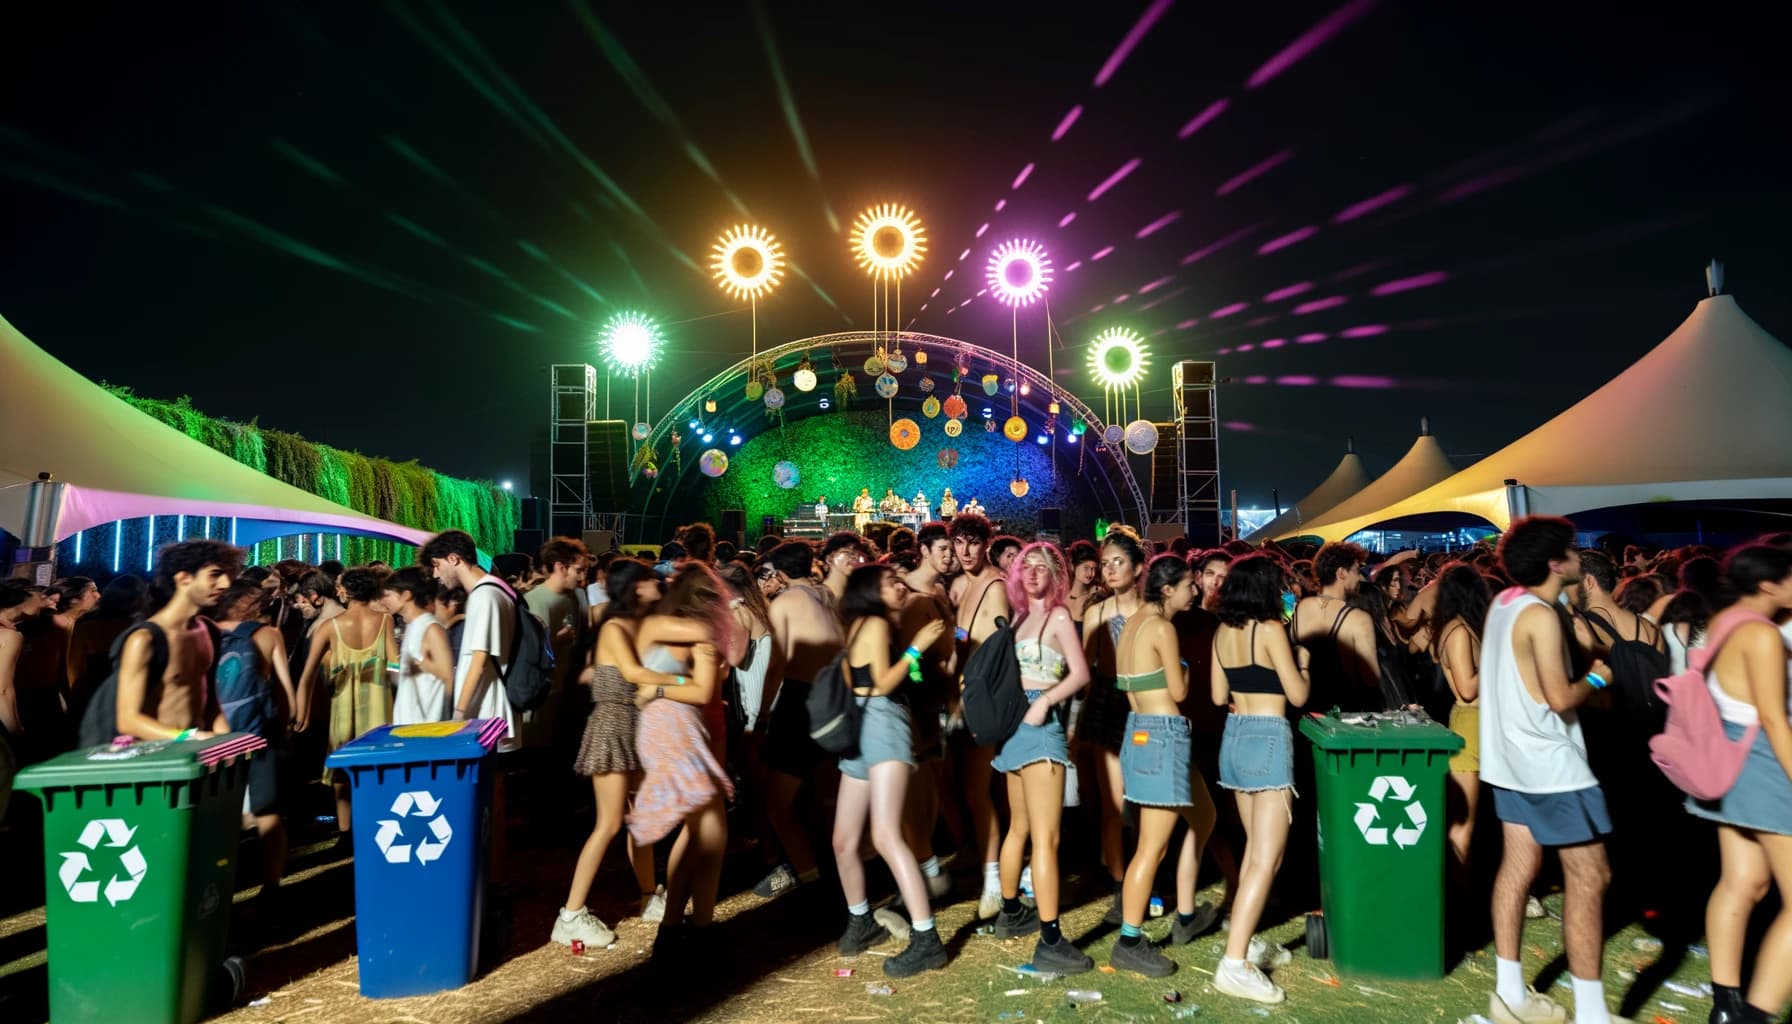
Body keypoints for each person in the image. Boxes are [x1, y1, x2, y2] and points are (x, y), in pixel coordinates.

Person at [1480, 516, 1619, 1024]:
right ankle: (1591, 1014)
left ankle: (1510, 994)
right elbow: (1559, 698)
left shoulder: (1504, 603)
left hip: (1510, 761)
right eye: (1573, 550)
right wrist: (1600, 679)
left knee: (1517, 870)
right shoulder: (1538, 612)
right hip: (1552, 767)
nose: (1580, 558)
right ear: (1554, 563)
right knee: (1590, 877)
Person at [555, 559, 701, 947]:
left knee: (641, 817)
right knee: (609, 824)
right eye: (651, 580)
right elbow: (636, 674)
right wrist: (689, 680)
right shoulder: (616, 627)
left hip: (634, 724)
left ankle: (649, 896)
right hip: (613, 725)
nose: (658, 584)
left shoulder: (641, 624)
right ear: (635, 587)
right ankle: (570, 914)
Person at [1686, 543, 1792, 1024]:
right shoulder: (1763, 634)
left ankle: (1725, 1006)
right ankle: (1756, 1015)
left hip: (1727, 757)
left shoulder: (1726, 619)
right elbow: (1773, 717)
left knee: (1742, 881)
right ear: (1770, 584)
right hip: (1764, 762)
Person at [831, 564, 952, 976]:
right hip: (877, 722)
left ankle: (921, 936)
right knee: (858, 839)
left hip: (869, 724)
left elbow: (859, 682)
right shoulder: (876, 625)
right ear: (871, 591)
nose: (901, 586)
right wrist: (916, 648)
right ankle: (869, 924)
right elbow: (880, 684)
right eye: (891, 582)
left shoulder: (859, 625)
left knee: (858, 839)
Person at [1107, 556, 1220, 978]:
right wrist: (1187, 667)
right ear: (1168, 588)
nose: (1197, 590)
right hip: (1163, 735)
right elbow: (1178, 689)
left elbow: (1126, 683)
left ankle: (1187, 914)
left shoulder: (1131, 623)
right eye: (1191, 584)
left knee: (1204, 816)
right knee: (1151, 849)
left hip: (1139, 732)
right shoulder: (1162, 628)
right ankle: (1130, 941)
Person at [1210, 553, 1311, 1002]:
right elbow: (1298, 693)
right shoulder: (1270, 630)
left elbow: (1217, 695)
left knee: (1254, 851)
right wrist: (1303, 660)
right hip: (1269, 737)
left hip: (1234, 738)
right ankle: (1234, 965)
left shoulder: (1222, 631)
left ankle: (1245, 938)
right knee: (1266, 859)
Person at [992, 543, 1097, 973]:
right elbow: (1080, 674)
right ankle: (1049, 938)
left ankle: (1011, 913)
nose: (1032, 572)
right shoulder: (1030, 618)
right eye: (1026, 566)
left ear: (1057, 576)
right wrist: (1042, 702)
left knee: (1024, 830)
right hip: (1029, 727)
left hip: (1028, 722)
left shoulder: (1046, 617)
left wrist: (1044, 700)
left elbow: (1081, 672)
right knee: (1040, 838)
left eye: (1042, 567)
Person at [628, 564, 735, 955]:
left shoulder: (657, 624)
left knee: (698, 832)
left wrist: (655, 686)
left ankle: (677, 926)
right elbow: (704, 689)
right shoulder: (695, 632)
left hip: (668, 727)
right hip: (674, 728)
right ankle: (693, 928)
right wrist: (662, 688)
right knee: (710, 834)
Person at [755, 541, 837, 898]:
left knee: (779, 804)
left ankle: (808, 877)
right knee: (824, 795)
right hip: (835, 699)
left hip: (800, 701)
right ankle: (833, 868)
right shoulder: (828, 596)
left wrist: (762, 712)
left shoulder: (785, 602)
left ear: (781, 573)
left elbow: (778, 661)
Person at [296, 566, 396, 832]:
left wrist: (301, 712)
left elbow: (307, 674)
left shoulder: (330, 627)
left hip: (343, 702)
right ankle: (376, 824)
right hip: (379, 702)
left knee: (343, 766)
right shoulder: (385, 620)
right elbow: (395, 665)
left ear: (346, 591)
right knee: (378, 765)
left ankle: (344, 831)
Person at [112, 540, 243, 742]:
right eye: (215, 574)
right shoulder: (144, 639)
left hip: (196, 753)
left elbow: (210, 702)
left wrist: (226, 741)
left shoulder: (208, 630)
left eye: (227, 575)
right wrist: (187, 738)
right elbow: (128, 720)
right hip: (156, 760)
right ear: (183, 578)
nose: (226, 584)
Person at [213, 580, 297, 895]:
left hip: (217, 734)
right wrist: (288, 727)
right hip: (261, 732)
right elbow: (285, 689)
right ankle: (271, 884)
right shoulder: (268, 634)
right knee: (269, 813)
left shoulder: (207, 631)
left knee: (221, 813)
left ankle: (219, 882)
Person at [1081, 530, 1148, 921]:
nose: (1108, 570)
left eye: (1117, 562)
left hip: (1144, 703)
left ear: (1138, 567)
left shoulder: (1153, 610)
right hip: (1108, 703)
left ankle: (1145, 876)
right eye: (1105, 564)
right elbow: (1085, 670)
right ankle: (1121, 886)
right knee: (1115, 801)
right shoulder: (1096, 613)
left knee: (1144, 796)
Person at [950, 512, 1012, 918]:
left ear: (986, 543)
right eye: (960, 542)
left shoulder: (994, 586)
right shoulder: (963, 586)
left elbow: (1000, 651)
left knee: (979, 790)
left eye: (974, 542)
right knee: (975, 790)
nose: (966, 550)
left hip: (982, 698)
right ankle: (994, 869)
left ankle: (995, 881)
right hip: (964, 696)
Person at [422, 530, 518, 740]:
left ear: (454, 559)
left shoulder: (484, 595)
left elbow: (478, 661)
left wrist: (459, 713)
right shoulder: (493, 590)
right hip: (487, 711)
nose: (436, 574)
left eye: (437, 565)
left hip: (486, 713)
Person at [1431, 564, 1493, 873]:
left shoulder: (1465, 627)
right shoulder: (1456, 631)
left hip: (1481, 722)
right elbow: (1467, 687)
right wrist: (1497, 658)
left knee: (1476, 820)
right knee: (1463, 823)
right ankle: (1459, 898)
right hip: (1470, 723)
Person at [1292, 542, 1380, 711]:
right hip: (1342, 714)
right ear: (1341, 573)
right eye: (1356, 570)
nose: (1360, 577)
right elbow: (1371, 679)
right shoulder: (1358, 619)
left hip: (1303, 712)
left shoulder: (1302, 607)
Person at [385, 569, 455, 725]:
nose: (384, 600)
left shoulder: (431, 628)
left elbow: (447, 674)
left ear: (406, 595)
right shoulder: (412, 626)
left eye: (389, 594)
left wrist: (420, 662)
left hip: (427, 725)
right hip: (407, 721)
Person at [1065, 540, 1102, 620]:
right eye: (1086, 568)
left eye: (1093, 569)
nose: (1091, 573)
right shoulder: (1062, 597)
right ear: (1072, 566)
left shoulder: (1095, 594)